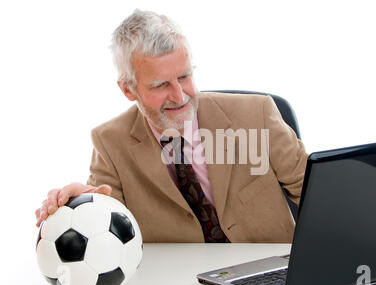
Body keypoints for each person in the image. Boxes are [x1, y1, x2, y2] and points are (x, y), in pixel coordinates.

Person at [35, 9, 308, 243]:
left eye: (184, 76)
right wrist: (82, 203)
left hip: (268, 273)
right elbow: (107, 225)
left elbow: (317, 193)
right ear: (129, 90)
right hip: (180, 283)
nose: (180, 95)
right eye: (160, 85)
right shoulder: (110, 143)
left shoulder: (257, 114)